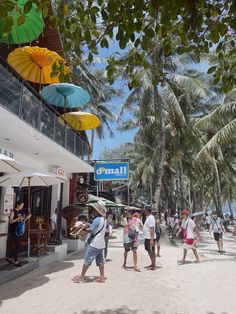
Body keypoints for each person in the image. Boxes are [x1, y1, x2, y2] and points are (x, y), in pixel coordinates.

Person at [72, 200, 107, 283]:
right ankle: (102, 276)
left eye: (94, 209)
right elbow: (96, 227)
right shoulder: (103, 219)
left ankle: (81, 276)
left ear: (97, 211)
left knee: (87, 260)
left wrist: (82, 229)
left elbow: (91, 230)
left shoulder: (96, 219)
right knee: (100, 261)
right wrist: (87, 223)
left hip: (94, 243)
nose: (93, 211)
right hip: (101, 243)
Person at [6, 201, 31, 267]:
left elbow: (22, 221)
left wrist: (26, 218)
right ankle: (15, 261)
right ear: (17, 205)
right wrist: (17, 218)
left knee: (18, 245)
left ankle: (9, 257)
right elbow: (10, 222)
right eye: (21, 205)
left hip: (18, 231)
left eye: (23, 205)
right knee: (17, 245)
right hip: (13, 231)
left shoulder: (20, 212)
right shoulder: (13, 211)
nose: (22, 207)